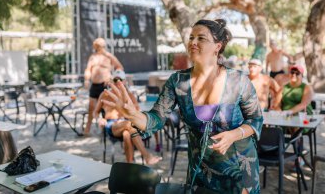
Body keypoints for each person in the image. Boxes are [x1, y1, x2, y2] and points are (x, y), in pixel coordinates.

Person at [102, 19, 263, 193]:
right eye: (191, 37)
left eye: (201, 38)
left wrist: (234, 134)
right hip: (201, 171)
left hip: (239, 170)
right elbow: (156, 118)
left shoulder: (238, 80)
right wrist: (132, 114)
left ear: (217, 46)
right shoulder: (178, 81)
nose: (193, 42)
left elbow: (256, 119)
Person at [94, 70, 161, 165]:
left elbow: (136, 111)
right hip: (112, 124)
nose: (118, 82)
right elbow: (95, 112)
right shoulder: (105, 94)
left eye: (120, 80)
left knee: (126, 134)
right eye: (115, 79)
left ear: (125, 81)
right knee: (130, 125)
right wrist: (99, 119)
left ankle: (130, 164)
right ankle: (147, 156)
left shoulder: (129, 95)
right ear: (112, 81)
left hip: (126, 125)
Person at [83, 37, 124, 136]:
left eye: (101, 45)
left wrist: (112, 77)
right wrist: (86, 80)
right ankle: (87, 129)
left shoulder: (109, 56)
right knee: (91, 108)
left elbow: (120, 67)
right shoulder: (93, 57)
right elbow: (88, 69)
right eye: (98, 45)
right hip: (95, 85)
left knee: (105, 107)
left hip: (105, 85)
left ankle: (105, 129)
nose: (100, 47)